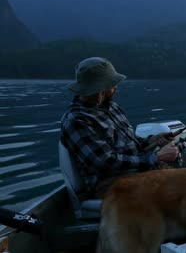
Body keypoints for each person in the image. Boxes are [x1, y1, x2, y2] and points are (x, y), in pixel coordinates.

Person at [60, 57, 179, 198]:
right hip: (108, 184)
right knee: (174, 193)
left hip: (136, 173)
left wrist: (153, 140)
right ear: (100, 88)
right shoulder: (77, 120)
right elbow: (105, 162)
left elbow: (131, 143)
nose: (116, 86)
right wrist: (156, 158)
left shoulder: (113, 107)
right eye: (112, 83)